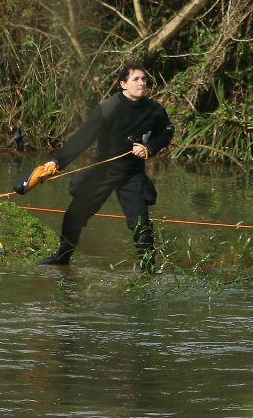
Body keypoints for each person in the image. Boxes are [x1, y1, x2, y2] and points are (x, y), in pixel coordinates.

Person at [32, 63, 174, 268]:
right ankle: (62, 257)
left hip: (132, 174)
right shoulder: (108, 108)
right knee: (74, 215)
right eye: (136, 79)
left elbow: (166, 133)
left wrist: (149, 147)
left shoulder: (155, 111)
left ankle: (148, 269)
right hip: (102, 172)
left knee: (141, 226)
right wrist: (57, 162)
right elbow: (82, 138)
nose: (142, 83)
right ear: (123, 84)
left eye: (144, 79)